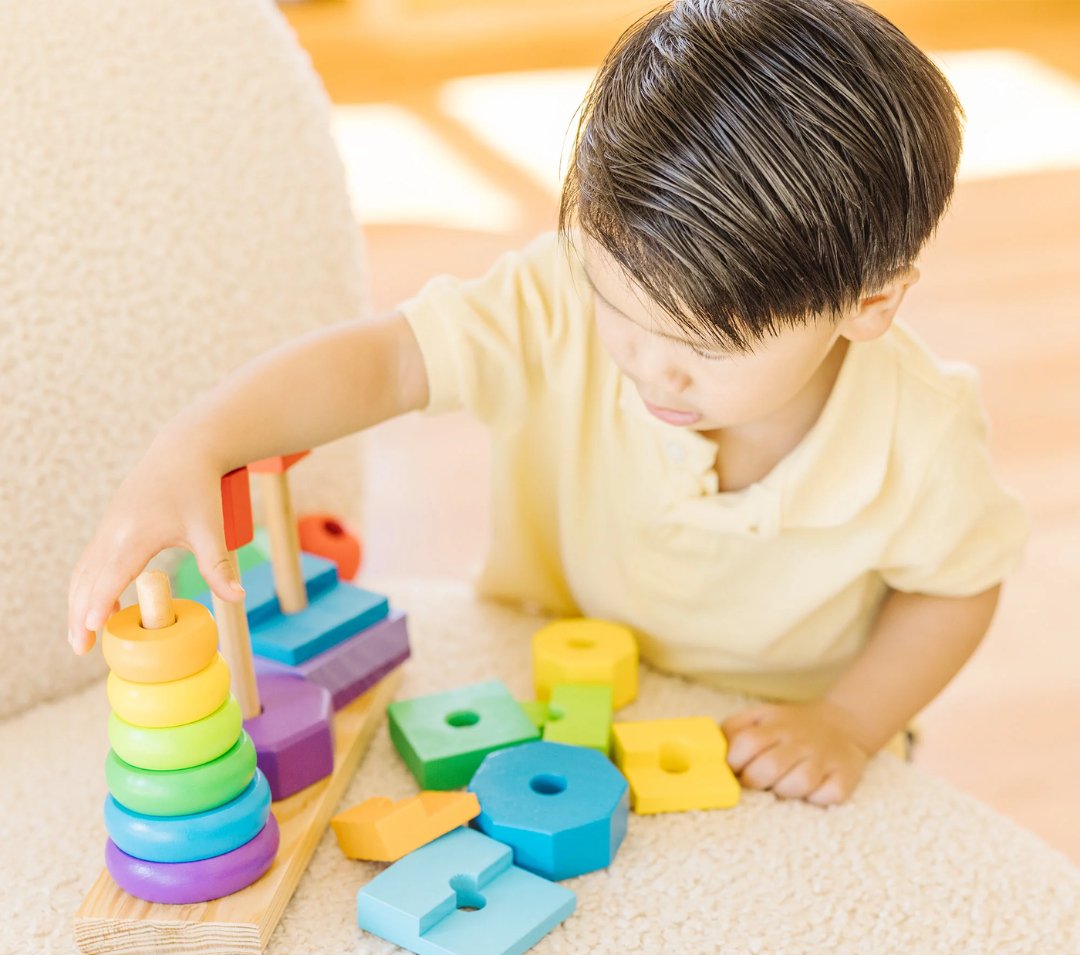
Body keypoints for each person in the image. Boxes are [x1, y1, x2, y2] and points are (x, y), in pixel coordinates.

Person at [67, 0, 1027, 806]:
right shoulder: (556, 298)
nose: (649, 367)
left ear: (868, 303)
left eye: (701, 348)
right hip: (551, 688)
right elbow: (389, 361)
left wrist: (849, 722)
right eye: (619, 308)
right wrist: (200, 439)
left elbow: (955, 585)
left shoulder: (921, 434)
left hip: (765, 740)